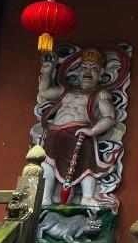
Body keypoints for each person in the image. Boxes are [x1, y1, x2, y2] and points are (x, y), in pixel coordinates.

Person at [37, 48, 116, 207]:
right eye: (84, 67)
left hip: (80, 133)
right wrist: (46, 72)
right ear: (79, 72)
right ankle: (45, 198)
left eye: (93, 68)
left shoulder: (100, 94)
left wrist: (92, 131)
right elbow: (44, 92)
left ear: (101, 73)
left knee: (87, 165)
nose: (88, 72)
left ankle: (87, 197)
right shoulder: (66, 90)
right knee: (47, 163)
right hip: (55, 132)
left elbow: (109, 117)